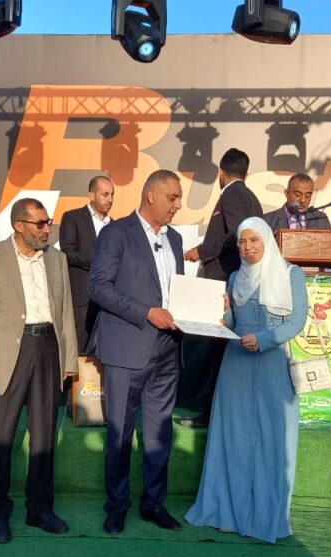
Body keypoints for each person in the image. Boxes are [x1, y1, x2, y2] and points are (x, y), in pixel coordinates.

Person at [185, 217, 308, 543]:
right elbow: (231, 323)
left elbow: (297, 320)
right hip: (237, 364)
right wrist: (225, 312)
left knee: (272, 438)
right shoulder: (235, 277)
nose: (247, 247)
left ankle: (264, 517)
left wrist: (264, 339)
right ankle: (227, 512)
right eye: (242, 241)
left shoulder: (291, 274)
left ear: (267, 241)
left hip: (272, 365)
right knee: (234, 436)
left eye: (254, 240)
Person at [0, 198, 78, 544]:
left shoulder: (57, 259)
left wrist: (69, 362)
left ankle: (40, 509)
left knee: (44, 435)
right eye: (40, 223)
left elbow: (65, 313)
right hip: (6, 355)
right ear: (19, 226)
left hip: (49, 349)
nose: (47, 229)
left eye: (48, 222)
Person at [88, 170, 185, 535]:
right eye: (173, 198)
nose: (178, 205)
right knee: (120, 432)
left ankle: (153, 503)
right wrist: (145, 312)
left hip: (168, 347)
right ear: (151, 196)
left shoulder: (175, 238)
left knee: (160, 431)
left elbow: (175, 292)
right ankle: (116, 506)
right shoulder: (116, 233)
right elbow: (98, 287)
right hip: (127, 347)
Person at [182, 148, 263, 427]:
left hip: (225, 280)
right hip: (233, 279)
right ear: (246, 172)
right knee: (220, 349)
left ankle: (211, 413)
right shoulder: (249, 196)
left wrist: (202, 251)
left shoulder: (232, 194)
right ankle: (214, 411)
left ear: (221, 172)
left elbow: (236, 234)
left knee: (215, 349)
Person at [59, 175, 115, 353]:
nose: (110, 199)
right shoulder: (73, 217)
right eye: (105, 194)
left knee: (105, 349)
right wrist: (99, 262)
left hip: (109, 299)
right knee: (78, 349)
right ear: (91, 195)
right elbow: (67, 252)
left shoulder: (116, 226)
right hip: (82, 298)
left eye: (112, 194)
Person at [262, 173, 331, 234]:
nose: (303, 200)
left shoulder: (321, 220)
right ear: (287, 193)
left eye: (307, 196)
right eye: (298, 195)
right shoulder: (267, 221)